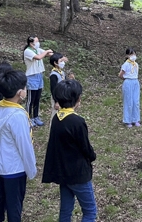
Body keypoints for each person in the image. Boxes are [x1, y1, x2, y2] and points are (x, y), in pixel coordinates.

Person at [42, 79, 97, 222]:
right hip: (78, 173)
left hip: (63, 172)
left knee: (65, 210)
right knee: (90, 211)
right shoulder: (77, 121)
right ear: (78, 99)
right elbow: (85, 147)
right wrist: (92, 156)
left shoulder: (56, 118)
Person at [0, 69, 37, 222]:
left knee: (0, 201)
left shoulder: (0, 108)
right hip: (15, 168)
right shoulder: (17, 115)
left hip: (1, 167)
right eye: (25, 87)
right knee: (14, 207)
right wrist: (31, 168)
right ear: (20, 92)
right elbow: (24, 145)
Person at [23, 35, 53, 127]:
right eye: (37, 41)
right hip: (31, 77)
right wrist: (47, 51)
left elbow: (48, 54)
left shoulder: (38, 49)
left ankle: (36, 117)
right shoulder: (28, 51)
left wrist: (49, 52)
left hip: (39, 75)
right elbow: (39, 57)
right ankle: (28, 118)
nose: (38, 43)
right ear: (31, 43)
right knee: (30, 100)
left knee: (37, 99)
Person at [119, 47, 140, 127]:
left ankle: (136, 119)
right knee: (128, 101)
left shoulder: (136, 64)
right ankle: (128, 120)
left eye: (134, 54)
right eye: (131, 54)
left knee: (136, 101)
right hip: (128, 82)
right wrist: (125, 78)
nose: (133, 55)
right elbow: (120, 74)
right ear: (127, 55)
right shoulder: (126, 64)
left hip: (135, 82)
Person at [49, 53, 69, 122]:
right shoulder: (54, 75)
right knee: (55, 114)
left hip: (63, 96)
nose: (63, 63)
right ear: (55, 63)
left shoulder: (62, 72)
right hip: (57, 97)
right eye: (61, 61)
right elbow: (53, 89)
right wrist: (56, 101)